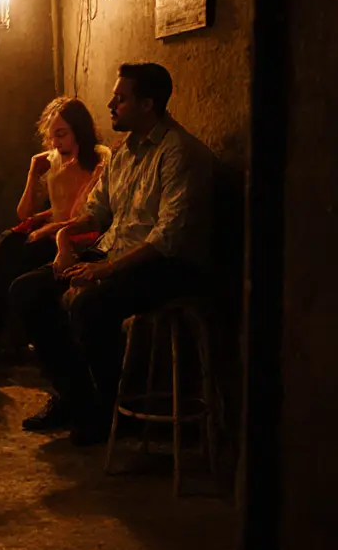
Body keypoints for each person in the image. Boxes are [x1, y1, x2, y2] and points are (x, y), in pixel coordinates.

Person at [11, 63, 213, 445]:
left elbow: (169, 236)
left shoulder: (179, 153)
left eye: (121, 98)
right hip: (114, 254)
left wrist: (104, 271)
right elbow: (98, 211)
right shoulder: (124, 153)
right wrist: (64, 242)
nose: (111, 104)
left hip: (164, 265)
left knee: (90, 305)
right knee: (28, 290)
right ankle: (76, 399)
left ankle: (106, 412)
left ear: (148, 104)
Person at [0, 97, 110, 362]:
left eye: (62, 134)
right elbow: (25, 213)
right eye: (52, 136)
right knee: (7, 241)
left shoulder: (100, 161)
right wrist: (33, 174)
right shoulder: (56, 162)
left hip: (80, 238)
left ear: (79, 130)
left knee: (10, 252)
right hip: (55, 232)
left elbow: (85, 216)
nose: (56, 143)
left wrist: (48, 229)